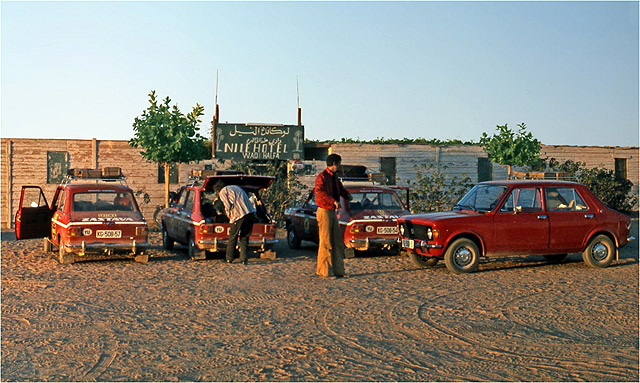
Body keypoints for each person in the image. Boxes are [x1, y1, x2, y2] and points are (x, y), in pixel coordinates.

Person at [314, 153, 352, 278]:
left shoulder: (335, 177)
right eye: (339, 163)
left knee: (337, 241)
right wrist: (333, 201)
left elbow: (340, 190)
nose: (340, 166)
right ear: (335, 164)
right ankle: (324, 271)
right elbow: (319, 193)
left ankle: (339, 271)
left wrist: (347, 196)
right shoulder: (322, 177)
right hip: (324, 211)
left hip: (332, 211)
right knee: (326, 242)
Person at [212, 180, 257, 265]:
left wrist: (228, 216)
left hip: (238, 216)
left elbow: (227, 205)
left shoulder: (223, 192)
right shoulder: (237, 187)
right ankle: (244, 259)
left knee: (233, 237)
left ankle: (229, 258)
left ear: (217, 190)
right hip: (250, 213)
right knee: (244, 237)